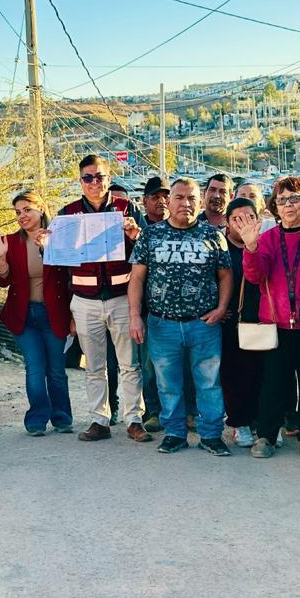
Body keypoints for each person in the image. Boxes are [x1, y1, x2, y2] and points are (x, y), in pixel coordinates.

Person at [128, 178, 232, 456]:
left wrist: (221, 308)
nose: (185, 203)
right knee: (167, 383)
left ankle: (211, 435)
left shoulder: (213, 235)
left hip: (203, 324)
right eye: (179, 197)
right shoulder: (151, 235)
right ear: (169, 200)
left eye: (191, 198)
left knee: (209, 383)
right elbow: (137, 278)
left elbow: (225, 276)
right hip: (162, 324)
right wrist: (134, 316)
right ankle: (174, 433)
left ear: (199, 202)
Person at [228, 175, 300, 459]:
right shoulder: (267, 238)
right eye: (282, 200)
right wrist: (250, 247)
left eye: (294, 198)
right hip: (276, 322)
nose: (288, 205)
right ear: (275, 206)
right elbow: (255, 275)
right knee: (273, 383)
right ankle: (267, 436)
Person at [56, 154, 152, 444]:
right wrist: (46, 245)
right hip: (84, 300)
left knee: (129, 363)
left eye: (99, 176)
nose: (94, 182)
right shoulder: (68, 213)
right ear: (80, 181)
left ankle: (134, 420)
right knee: (94, 365)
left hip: (122, 297)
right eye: (88, 177)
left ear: (109, 179)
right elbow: (58, 261)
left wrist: (136, 235)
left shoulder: (127, 209)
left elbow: (146, 251)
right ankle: (100, 420)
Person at [0, 191, 73, 436]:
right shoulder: (11, 242)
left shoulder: (58, 237)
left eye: (27, 209)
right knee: (34, 367)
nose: (22, 216)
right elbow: (3, 281)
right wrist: (1, 258)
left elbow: (68, 273)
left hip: (54, 312)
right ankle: (36, 418)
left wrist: (48, 250)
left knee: (56, 369)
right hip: (25, 314)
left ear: (40, 209)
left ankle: (62, 417)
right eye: (18, 212)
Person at [220, 197, 263, 447]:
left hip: (261, 322)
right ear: (227, 222)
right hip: (230, 323)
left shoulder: (264, 245)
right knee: (233, 376)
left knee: (261, 374)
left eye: (249, 217)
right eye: (236, 218)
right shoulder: (219, 247)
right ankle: (239, 423)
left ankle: (261, 421)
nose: (242, 223)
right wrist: (218, 307)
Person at [137, 175, 170, 430]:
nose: (162, 201)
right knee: (149, 365)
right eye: (155, 197)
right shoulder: (137, 229)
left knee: (182, 367)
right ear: (144, 201)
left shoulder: (181, 226)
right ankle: (153, 411)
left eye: (165, 196)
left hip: (177, 311)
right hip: (147, 309)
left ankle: (187, 412)